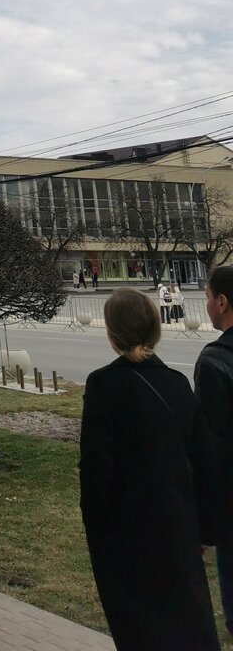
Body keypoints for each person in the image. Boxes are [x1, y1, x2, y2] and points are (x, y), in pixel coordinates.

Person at [80, 287, 219, 651]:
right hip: (178, 529)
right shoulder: (176, 384)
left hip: (127, 535)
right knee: (188, 628)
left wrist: (97, 535)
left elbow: (95, 470)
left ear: (113, 332)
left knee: (140, 631)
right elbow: (204, 462)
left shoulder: (103, 385)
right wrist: (204, 530)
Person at [195, 265, 233, 639]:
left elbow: (211, 449)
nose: (206, 306)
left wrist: (204, 524)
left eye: (207, 298)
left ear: (221, 302)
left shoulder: (214, 361)